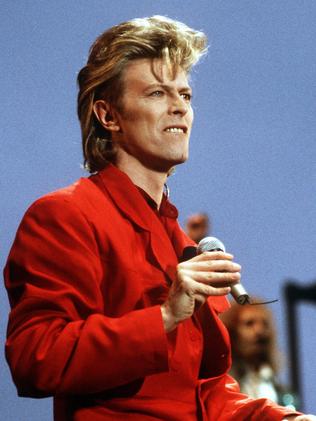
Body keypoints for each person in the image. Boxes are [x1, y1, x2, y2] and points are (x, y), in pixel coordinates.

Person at [4, 15, 315, 421]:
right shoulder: (63, 215)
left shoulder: (178, 239)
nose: (179, 108)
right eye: (156, 93)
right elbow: (35, 358)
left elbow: (205, 392)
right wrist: (166, 316)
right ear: (108, 115)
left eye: (185, 95)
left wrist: (284, 419)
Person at [220, 300, 298, 409]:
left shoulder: (279, 388)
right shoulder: (222, 385)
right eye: (249, 323)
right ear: (231, 332)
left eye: (264, 324)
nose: (259, 331)